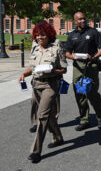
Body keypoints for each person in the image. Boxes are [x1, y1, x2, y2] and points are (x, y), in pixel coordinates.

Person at [19, 21, 67, 163]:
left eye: (43, 35)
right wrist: (24, 74)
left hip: (50, 85)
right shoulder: (35, 48)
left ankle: (35, 151)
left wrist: (53, 71)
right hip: (36, 84)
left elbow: (64, 69)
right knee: (49, 115)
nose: (40, 38)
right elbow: (32, 68)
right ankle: (58, 138)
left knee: (42, 116)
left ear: (49, 35)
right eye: (38, 35)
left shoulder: (57, 48)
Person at [65, 12, 101, 131]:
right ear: (75, 21)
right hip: (78, 66)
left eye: (84, 18)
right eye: (80, 19)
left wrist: (94, 57)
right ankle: (84, 120)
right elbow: (67, 52)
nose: (83, 21)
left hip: (91, 65)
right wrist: (72, 57)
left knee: (92, 93)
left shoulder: (93, 32)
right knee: (79, 93)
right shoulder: (72, 35)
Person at [29, 38, 64, 133]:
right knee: (34, 101)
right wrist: (24, 74)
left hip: (52, 80)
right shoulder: (34, 44)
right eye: (38, 33)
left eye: (43, 33)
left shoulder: (56, 43)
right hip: (37, 80)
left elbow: (61, 65)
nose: (40, 36)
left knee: (54, 102)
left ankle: (54, 121)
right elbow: (32, 64)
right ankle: (36, 123)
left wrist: (54, 72)